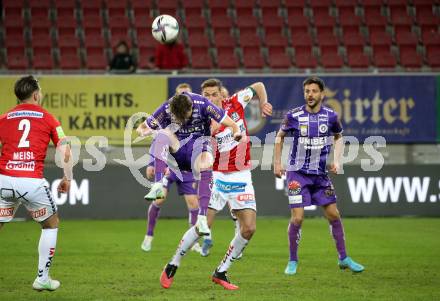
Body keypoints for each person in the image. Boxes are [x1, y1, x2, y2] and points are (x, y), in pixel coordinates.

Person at [136, 90, 242, 289]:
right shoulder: (167, 108)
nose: (181, 121)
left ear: (191, 108)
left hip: (199, 149)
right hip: (178, 154)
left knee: (206, 161)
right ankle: (158, 185)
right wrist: (145, 131)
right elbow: (142, 127)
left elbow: (230, 122)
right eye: (177, 118)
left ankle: (202, 218)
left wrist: (236, 131)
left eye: (183, 117)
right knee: (162, 135)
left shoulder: (202, 104)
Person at [273, 76, 364, 275]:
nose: (310, 95)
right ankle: (292, 260)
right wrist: (277, 163)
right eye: (307, 91)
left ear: (322, 94)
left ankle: (343, 258)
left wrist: (337, 160)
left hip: (320, 175)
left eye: (314, 91)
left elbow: (339, 137)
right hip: (297, 174)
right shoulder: (293, 115)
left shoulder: (331, 116)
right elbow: (279, 137)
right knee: (297, 219)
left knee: (334, 214)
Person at [0, 75, 72, 291]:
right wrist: (67, 178)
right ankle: (42, 278)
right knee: (51, 224)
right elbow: (65, 150)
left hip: (4, 179)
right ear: (36, 94)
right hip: (31, 182)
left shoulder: (4, 118)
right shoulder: (48, 118)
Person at [200, 78, 272, 289]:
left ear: (223, 95)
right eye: (208, 96)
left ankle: (221, 271)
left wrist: (264, 102)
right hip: (217, 175)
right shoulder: (204, 120)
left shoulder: (236, 101)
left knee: (249, 228)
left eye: (216, 94)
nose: (213, 98)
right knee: (202, 227)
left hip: (241, 175)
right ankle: (172, 265)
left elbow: (259, 85)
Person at [141, 83, 201, 254]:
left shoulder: (197, 118)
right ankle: (149, 236)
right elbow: (157, 141)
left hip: (187, 168)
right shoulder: (166, 119)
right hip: (168, 165)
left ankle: (194, 241)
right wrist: (152, 163)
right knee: (159, 199)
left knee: (193, 202)